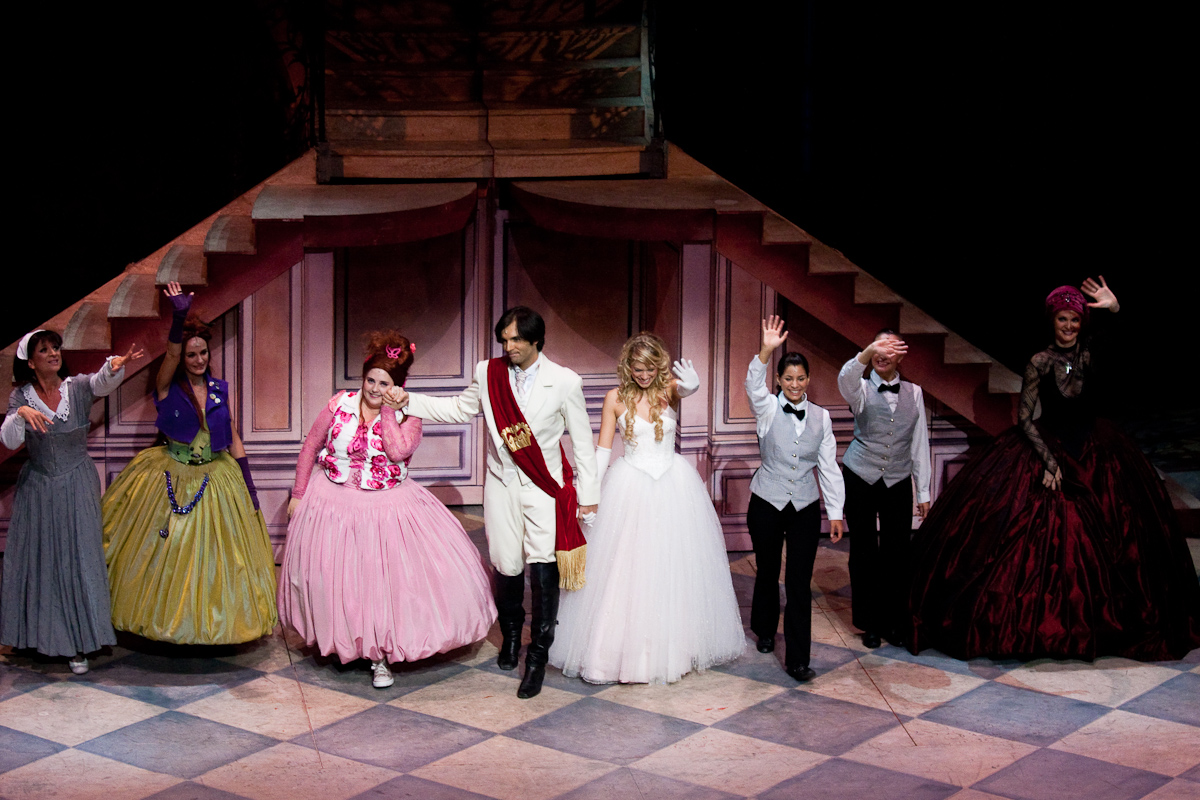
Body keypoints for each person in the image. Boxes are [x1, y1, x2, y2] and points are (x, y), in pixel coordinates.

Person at [907, 278, 1200, 661]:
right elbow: (1025, 418)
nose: (1069, 326)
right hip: (1048, 445)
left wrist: (1113, 310)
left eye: (1075, 320)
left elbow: (1123, 346)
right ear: (1052, 321)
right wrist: (1049, 462)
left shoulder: (1090, 355)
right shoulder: (1039, 362)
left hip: (1097, 448)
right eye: (1063, 319)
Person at [397, 306, 599, 699]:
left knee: (543, 567)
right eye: (504, 340)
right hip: (501, 485)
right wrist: (408, 401)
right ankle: (510, 637)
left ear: (536, 340)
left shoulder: (565, 382)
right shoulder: (487, 373)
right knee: (506, 564)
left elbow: (582, 442)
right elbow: (458, 409)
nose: (509, 347)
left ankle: (537, 657)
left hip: (543, 487)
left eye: (516, 340)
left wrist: (588, 496)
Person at [277, 331, 495, 688]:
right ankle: (346, 643)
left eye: (384, 383)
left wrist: (392, 411)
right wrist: (299, 493)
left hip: (386, 505)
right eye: (370, 381)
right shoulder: (340, 404)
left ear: (397, 386)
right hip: (333, 500)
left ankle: (380, 657)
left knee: (380, 585)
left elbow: (397, 451)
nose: (375, 389)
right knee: (338, 580)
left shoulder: (411, 413)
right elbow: (311, 446)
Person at [549, 333, 745, 684]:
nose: (643, 375)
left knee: (671, 568)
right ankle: (618, 654)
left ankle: (674, 650)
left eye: (650, 369)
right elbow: (603, 451)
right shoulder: (615, 398)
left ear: (659, 367)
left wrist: (693, 385)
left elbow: (686, 390)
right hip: (630, 487)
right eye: (637, 369)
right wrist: (588, 494)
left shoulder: (669, 390)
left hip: (673, 487)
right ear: (627, 366)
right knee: (628, 567)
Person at [102, 282, 277, 644]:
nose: (199, 360)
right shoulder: (167, 386)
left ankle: (210, 627)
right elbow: (168, 356)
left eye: (203, 353)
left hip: (216, 475)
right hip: (170, 471)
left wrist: (249, 485)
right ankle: (165, 623)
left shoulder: (220, 389)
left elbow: (233, 435)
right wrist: (179, 317)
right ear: (182, 358)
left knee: (215, 559)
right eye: (191, 354)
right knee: (170, 552)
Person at [1, 330, 142, 674]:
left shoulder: (75, 388)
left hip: (76, 482)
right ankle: (39, 638)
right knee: (42, 561)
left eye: (56, 347)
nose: (53, 353)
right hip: (39, 487)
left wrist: (113, 367)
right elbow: (9, 440)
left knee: (78, 558)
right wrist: (21, 414)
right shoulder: (21, 397)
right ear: (30, 362)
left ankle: (78, 644)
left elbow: (99, 382)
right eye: (44, 350)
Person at [744, 317, 845, 681]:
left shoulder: (822, 417)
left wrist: (836, 512)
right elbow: (752, 385)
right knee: (768, 570)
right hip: (767, 502)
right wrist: (766, 350)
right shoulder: (768, 408)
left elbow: (829, 467)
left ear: (808, 380)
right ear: (779, 380)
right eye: (788, 378)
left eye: (801, 378)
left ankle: (798, 659)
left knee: (800, 582)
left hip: (804, 505)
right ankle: (765, 630)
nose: (795, 384)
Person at [838, 328, 931, 649]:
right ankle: (870, 623)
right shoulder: (861, 389)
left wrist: (923, 491)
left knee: (897, 552)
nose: (882, 355)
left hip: (897, 479)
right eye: (878, 348)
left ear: (901, 355)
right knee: (863, 551)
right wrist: (867, 351)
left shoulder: (914, 393)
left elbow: (919, 443)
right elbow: (845, 378)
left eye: (890, 349)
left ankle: (893, 621)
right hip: (860, 476)